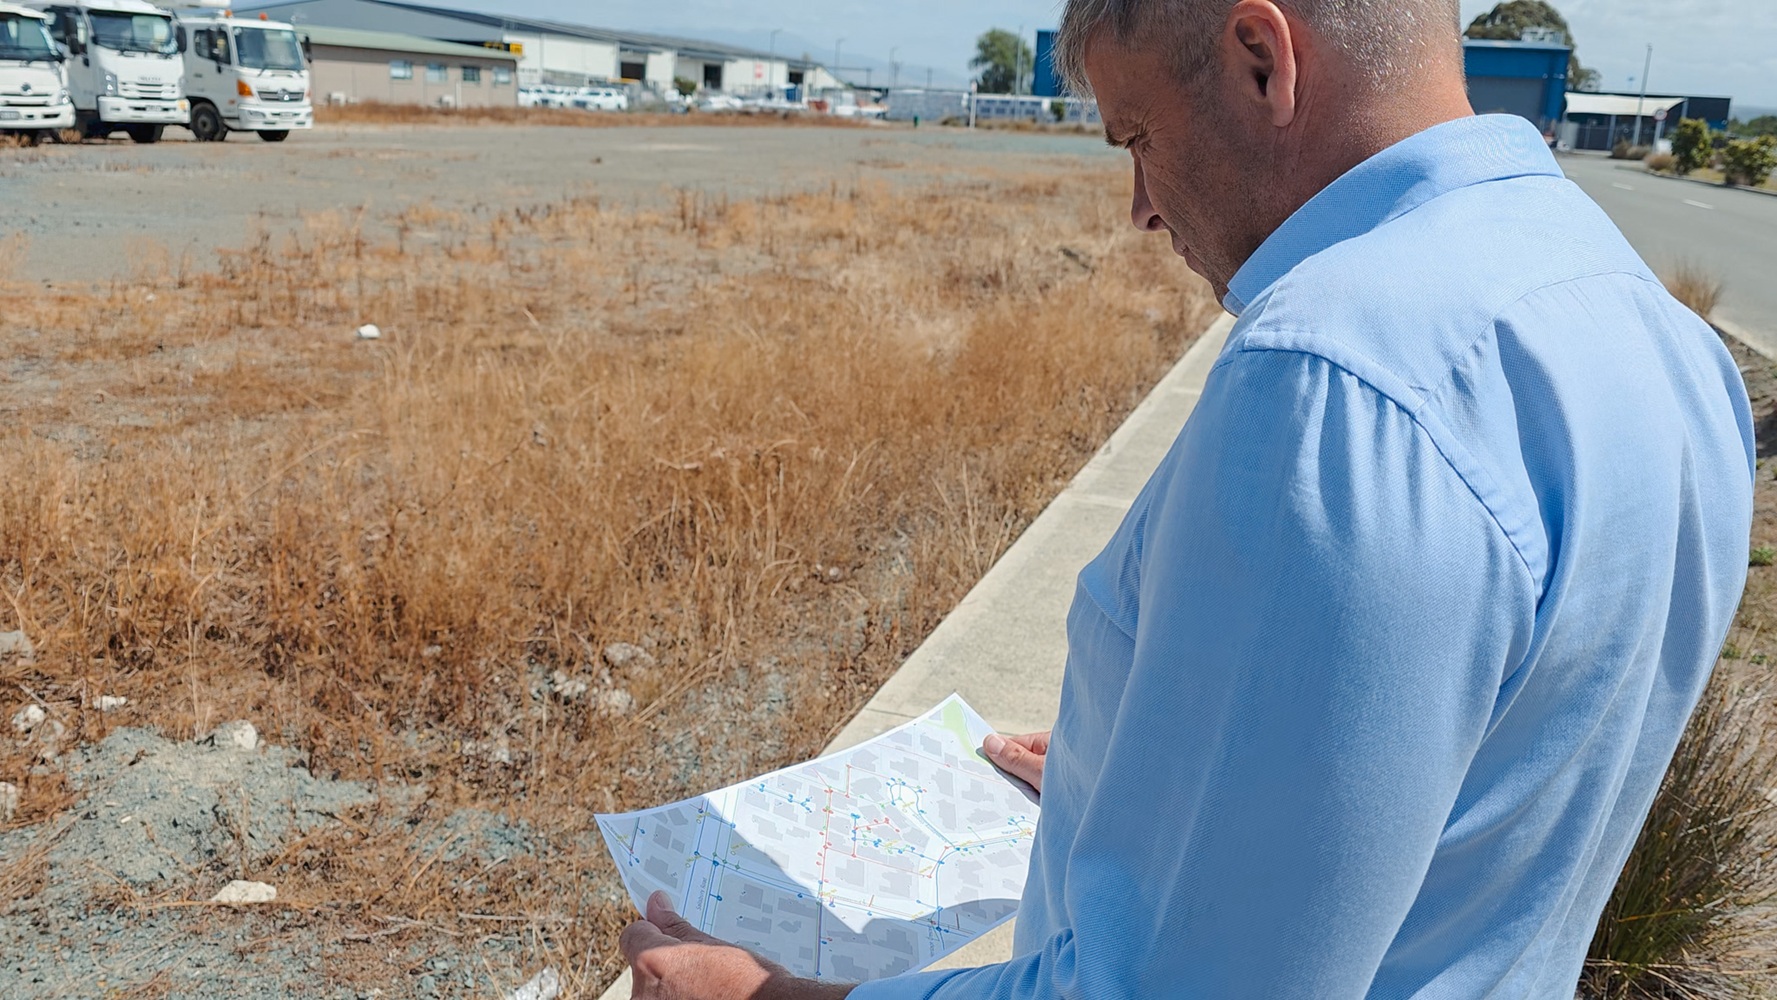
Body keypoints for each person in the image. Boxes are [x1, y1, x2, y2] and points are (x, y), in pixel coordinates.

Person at [617, 0, 1756, 996]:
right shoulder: (1655, 331)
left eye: (1138, 137)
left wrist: (758, 997)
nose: (1139, 206)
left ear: (1262, 58)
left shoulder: (1330, 382)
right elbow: (1481, 751)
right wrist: (1181, 752)